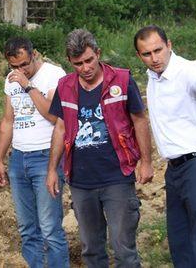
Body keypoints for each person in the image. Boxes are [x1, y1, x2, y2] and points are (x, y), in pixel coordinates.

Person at [46, 29, 153, 268]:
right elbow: (61, 128)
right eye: (78, 63)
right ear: (70, 62)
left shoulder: (122, 80)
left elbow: (139, 119)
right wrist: (52, 169)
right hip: (81, 180)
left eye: (89, 60)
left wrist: (146, 162)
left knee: (123, 250)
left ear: (98, 53)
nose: (85, 68)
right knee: (91, 251)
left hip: (117, 176)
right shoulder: (64, 86)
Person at [134, 25, 196, 268]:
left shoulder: (186, 69)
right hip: (175, 169)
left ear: (169, 46)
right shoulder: (153, 76)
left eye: (158, 50)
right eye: (147, 54)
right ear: (139, 56)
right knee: (180, 243)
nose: (154, 59)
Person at [0, 36, 70, 267]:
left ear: (33, 54)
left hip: (46, 157)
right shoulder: (11, 82)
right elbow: (8, 121)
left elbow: (53, 115)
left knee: (49, 228)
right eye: (14, 67)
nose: (20, 71)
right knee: (27, 228)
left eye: (24, 64)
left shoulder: (54, 75)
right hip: (18, 159)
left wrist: (27, 86)